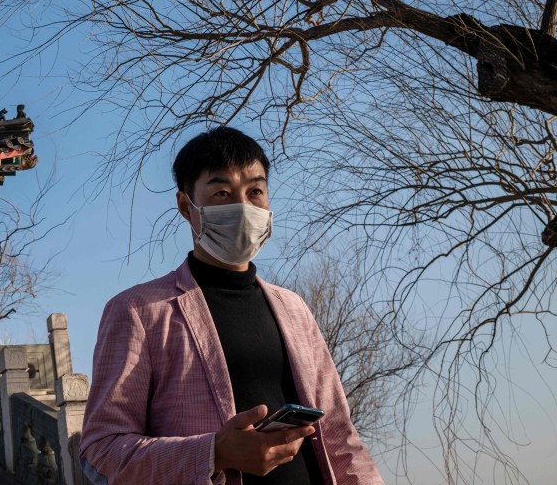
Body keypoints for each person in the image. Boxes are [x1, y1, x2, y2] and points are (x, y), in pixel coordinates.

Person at [79, 127, 383, 485]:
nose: (243, 206)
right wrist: (215, 452)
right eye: (222, 192)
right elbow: (102, 452)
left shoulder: (294, 309)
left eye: (255, 191)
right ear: (185, 206)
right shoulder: (139, 312)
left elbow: (339, 437)